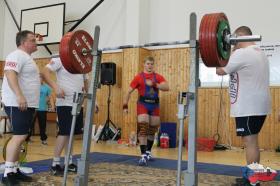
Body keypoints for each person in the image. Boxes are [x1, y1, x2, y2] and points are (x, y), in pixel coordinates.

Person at [216, 26, 271, 181]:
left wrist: (219, 51)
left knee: (250, 142)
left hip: (248, 107)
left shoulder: (242, 53)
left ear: (239, 38)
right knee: (252, 141)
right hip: (258, 106)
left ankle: (253, 180)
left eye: (233, 39)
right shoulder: (259, 52)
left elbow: (219, 70)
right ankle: (254, 177)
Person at [42, 56, 98, 176]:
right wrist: (56, 87)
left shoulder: (82, 63)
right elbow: (45, 72)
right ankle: (55, 164)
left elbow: (86, 83)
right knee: (64, 132)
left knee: (71, 134)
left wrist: (94, 101)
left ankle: (69, 162)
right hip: (65, 103)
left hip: (78, 103)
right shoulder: (60, 59)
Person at [1, 30, 40, 185]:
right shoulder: (16, 55)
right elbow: (10, 74)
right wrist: (19, 96)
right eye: (33, 40)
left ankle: (15, 169)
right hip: (17, 102)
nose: (36, 42)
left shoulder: (27, 58)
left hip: (27, 104)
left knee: (22, 136)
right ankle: (8, 173)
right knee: (18, 136)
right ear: (24, 43)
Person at [123, 56, 169, 166]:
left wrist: (154, 84)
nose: (150, 66)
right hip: (143, 105)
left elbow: (167, 87)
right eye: (148, 63)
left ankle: (148, 152)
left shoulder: (157, 77)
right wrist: (125, 106)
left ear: (154, 65)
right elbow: (128, 92)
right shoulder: (138, 77)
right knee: (143, 128)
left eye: (152, 64)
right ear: (144, 64)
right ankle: (143, 155)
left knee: (152, 131)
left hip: (155, 106)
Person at [29, 73, 53, 145]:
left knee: (42, 125)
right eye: (38, 77)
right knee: (30, 124)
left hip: (42, 109)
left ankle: (43, 139)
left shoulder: (47, 88)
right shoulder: (32, 87)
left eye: (40, 78)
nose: (39, 79)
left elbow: (50, 97)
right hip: (33, 108)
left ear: (43, 79)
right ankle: (27, 138)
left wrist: (52, 106)